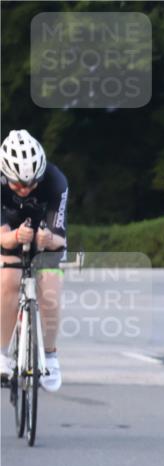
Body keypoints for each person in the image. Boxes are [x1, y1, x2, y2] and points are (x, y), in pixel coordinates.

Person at [0, 129, 68, 392]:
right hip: (10, 231)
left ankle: (50, 356)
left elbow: (60, 240)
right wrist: (17, 235)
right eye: (18, 185)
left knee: (50, 287)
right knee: (8, 279)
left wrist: (48, 238)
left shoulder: (56, 181)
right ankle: (3, 355)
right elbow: (4, 239)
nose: (26, 190)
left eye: (32, 183)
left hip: (45, 232)